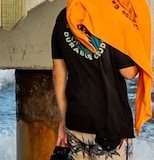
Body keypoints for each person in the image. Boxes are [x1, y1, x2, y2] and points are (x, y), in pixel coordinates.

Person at [51, 9, 140, 159]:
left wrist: (64, 118)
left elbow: (58, 74)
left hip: (76, 121)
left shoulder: (64, 16)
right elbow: (129, 72)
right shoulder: (111, 18)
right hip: (111, 125)